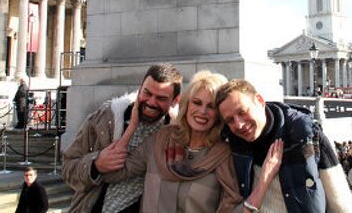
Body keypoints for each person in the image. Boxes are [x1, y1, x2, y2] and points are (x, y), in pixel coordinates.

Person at [101, 70, 270, 212]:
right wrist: (131, 128)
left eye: (210, 106)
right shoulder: (161, 139)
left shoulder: (224, 154)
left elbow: (231, 206)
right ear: (186, 105)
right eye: (196, 102)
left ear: (219, 115)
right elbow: (113, 174)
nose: (202, 112)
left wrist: (263, 182)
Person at [216, 78, 352, 212]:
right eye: (230, 120)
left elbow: (341, 201)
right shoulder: (233, 145)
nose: (239, 124)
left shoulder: (305, 133)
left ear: (259, 101)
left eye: (242, 112)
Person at [62, 64, 182, 213]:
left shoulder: (176, 135)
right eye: (147, 93)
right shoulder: (106, 117)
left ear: (175, 100)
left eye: (161, 98)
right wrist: (95, 164)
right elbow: (68, 168)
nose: (151, 102)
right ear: (140, 88)